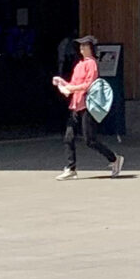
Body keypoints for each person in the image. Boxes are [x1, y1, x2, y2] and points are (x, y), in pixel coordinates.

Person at [51, 35, 125, 180]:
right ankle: (71, 168)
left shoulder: (91, 64)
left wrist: (71, 88)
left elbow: (88, 84)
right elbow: (73, 83)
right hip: (75, 105)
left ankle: (114, 159)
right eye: (80, 46)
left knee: (90, 140)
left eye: (85, 46)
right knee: (68, 137)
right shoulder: (79, 64)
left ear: (91, 49)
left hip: (87, 106)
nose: (82, 48)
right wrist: (62, 83)